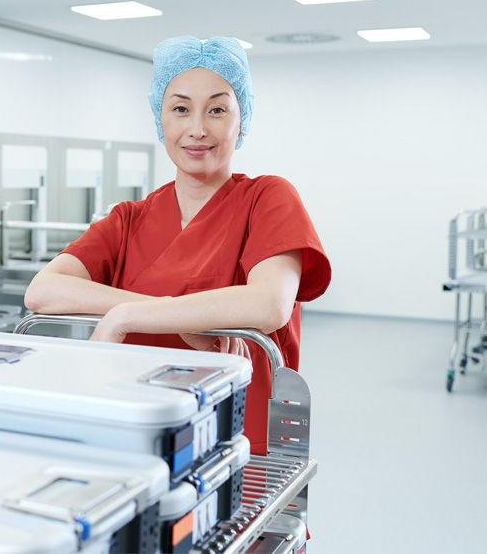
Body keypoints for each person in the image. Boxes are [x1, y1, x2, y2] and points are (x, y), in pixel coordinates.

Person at [23, 35, 332, 456]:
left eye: (218, 110)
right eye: (181, 109)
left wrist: (128, 315)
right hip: (137, 434)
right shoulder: (128, 219)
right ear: (160, 119)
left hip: (236, 440)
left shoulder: (268, 199)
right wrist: (175, 314)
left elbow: (268, 304)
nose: (198, 129)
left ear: (243, 119)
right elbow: (42, 291)